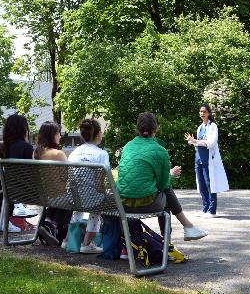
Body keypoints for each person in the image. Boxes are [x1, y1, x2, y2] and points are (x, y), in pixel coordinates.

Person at [118, 112, 208, 245]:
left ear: (137, 128)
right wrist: (171, 175)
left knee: (163, 191)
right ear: (156, 129)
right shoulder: (160, 150)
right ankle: (169, 243)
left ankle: (187, 228)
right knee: (166, 193)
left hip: (123, 204)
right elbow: (162, 184)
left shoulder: (127, 146)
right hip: (145, 204)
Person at [65, 118, 109, 254]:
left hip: (74, 197)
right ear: (97, 135)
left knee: (79, 207)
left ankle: (69, 240)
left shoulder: (74, 152)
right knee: (96, 208)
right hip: (91, 199)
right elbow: (100, 181)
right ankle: (87, 243)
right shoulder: (101, 154)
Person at [185, 103, 229, 217]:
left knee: (210, 184)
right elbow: (198, 144)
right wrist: (192, 142)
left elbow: (210, 143)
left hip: (208, 160)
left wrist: (195, 141)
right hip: (198, 159)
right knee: (201, 184)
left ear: (208, 113)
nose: (202, 114)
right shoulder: (200, 127)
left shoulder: (213, 126)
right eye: (200, 112)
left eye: (204, 112)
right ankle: (205, 209)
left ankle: (212, 210)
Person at [34, 121, 72, 246]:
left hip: (42, 197)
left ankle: (48, 223)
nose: (60, 136)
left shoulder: (36, 154)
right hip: (58, 198)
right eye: (58, 133)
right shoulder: (58, 154)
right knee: (71, 198)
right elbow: (68, 176)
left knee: (60, 197)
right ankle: (52, 224)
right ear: (52, 135)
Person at [0, 114, 35, 217]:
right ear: (24, 129)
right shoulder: (26, 147)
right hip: (27, 191)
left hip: (9, 189)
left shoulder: (3, 147)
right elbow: (32, 173)